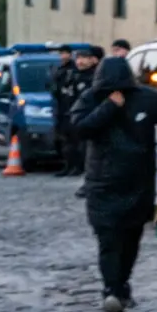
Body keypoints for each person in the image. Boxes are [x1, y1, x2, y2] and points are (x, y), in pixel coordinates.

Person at [70, 57, 157, 312]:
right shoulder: (90, 99)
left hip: (138, 182)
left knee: (131, 239)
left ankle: (121, 285)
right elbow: (79, 129)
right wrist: (109, 107)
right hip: (103, 183)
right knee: (109, 240)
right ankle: (112, 290)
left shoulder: (149, 99)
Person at [70, 45, 103, 198]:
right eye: (78, 58)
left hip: (92, 119)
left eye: (84, 58)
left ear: (93, 60)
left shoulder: (95, 78)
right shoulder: (75, 75)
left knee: (90, 153)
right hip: (78, 117)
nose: (80, 62)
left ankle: (90, 183)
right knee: (80, 151)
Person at [50, 45, 79, 177]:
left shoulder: (73, 70)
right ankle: (67, 165)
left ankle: (75, 166)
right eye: (61, 53)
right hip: (61, 108)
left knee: (72, 142)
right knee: (63, 141)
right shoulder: (59, 69)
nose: (63, 56)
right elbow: (55, 87)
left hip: (70, 109)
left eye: (65, 53)